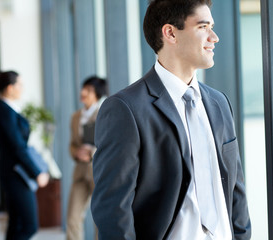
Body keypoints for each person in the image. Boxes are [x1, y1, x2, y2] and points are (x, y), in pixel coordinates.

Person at [91, 0, 251, 239]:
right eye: (203, 27)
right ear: (170, 33)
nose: (214, 37)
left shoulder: (219, 103)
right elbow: (113, 209)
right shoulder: (125, 109)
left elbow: (235, 189)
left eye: (212, 26)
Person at [0, 71, 49, 240]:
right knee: (28, 226)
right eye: (20, 85)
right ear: (10, 88)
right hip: (16, 175)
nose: (22, 89)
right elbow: (18, 147)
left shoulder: (7, 110)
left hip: (14, 173)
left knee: (16, 224)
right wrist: (37, 172)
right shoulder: (5, 112)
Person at [67, 76, 108, 240]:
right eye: (83, 88)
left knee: (100, 218)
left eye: (89, 90)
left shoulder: (105, 113)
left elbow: (109, 142)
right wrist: (76, 153)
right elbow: (72, 144)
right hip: (80, 172)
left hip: (98, 172)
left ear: (97, 94)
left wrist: (90, 153)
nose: (83, 92)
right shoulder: (75, 117)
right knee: (73, 218)